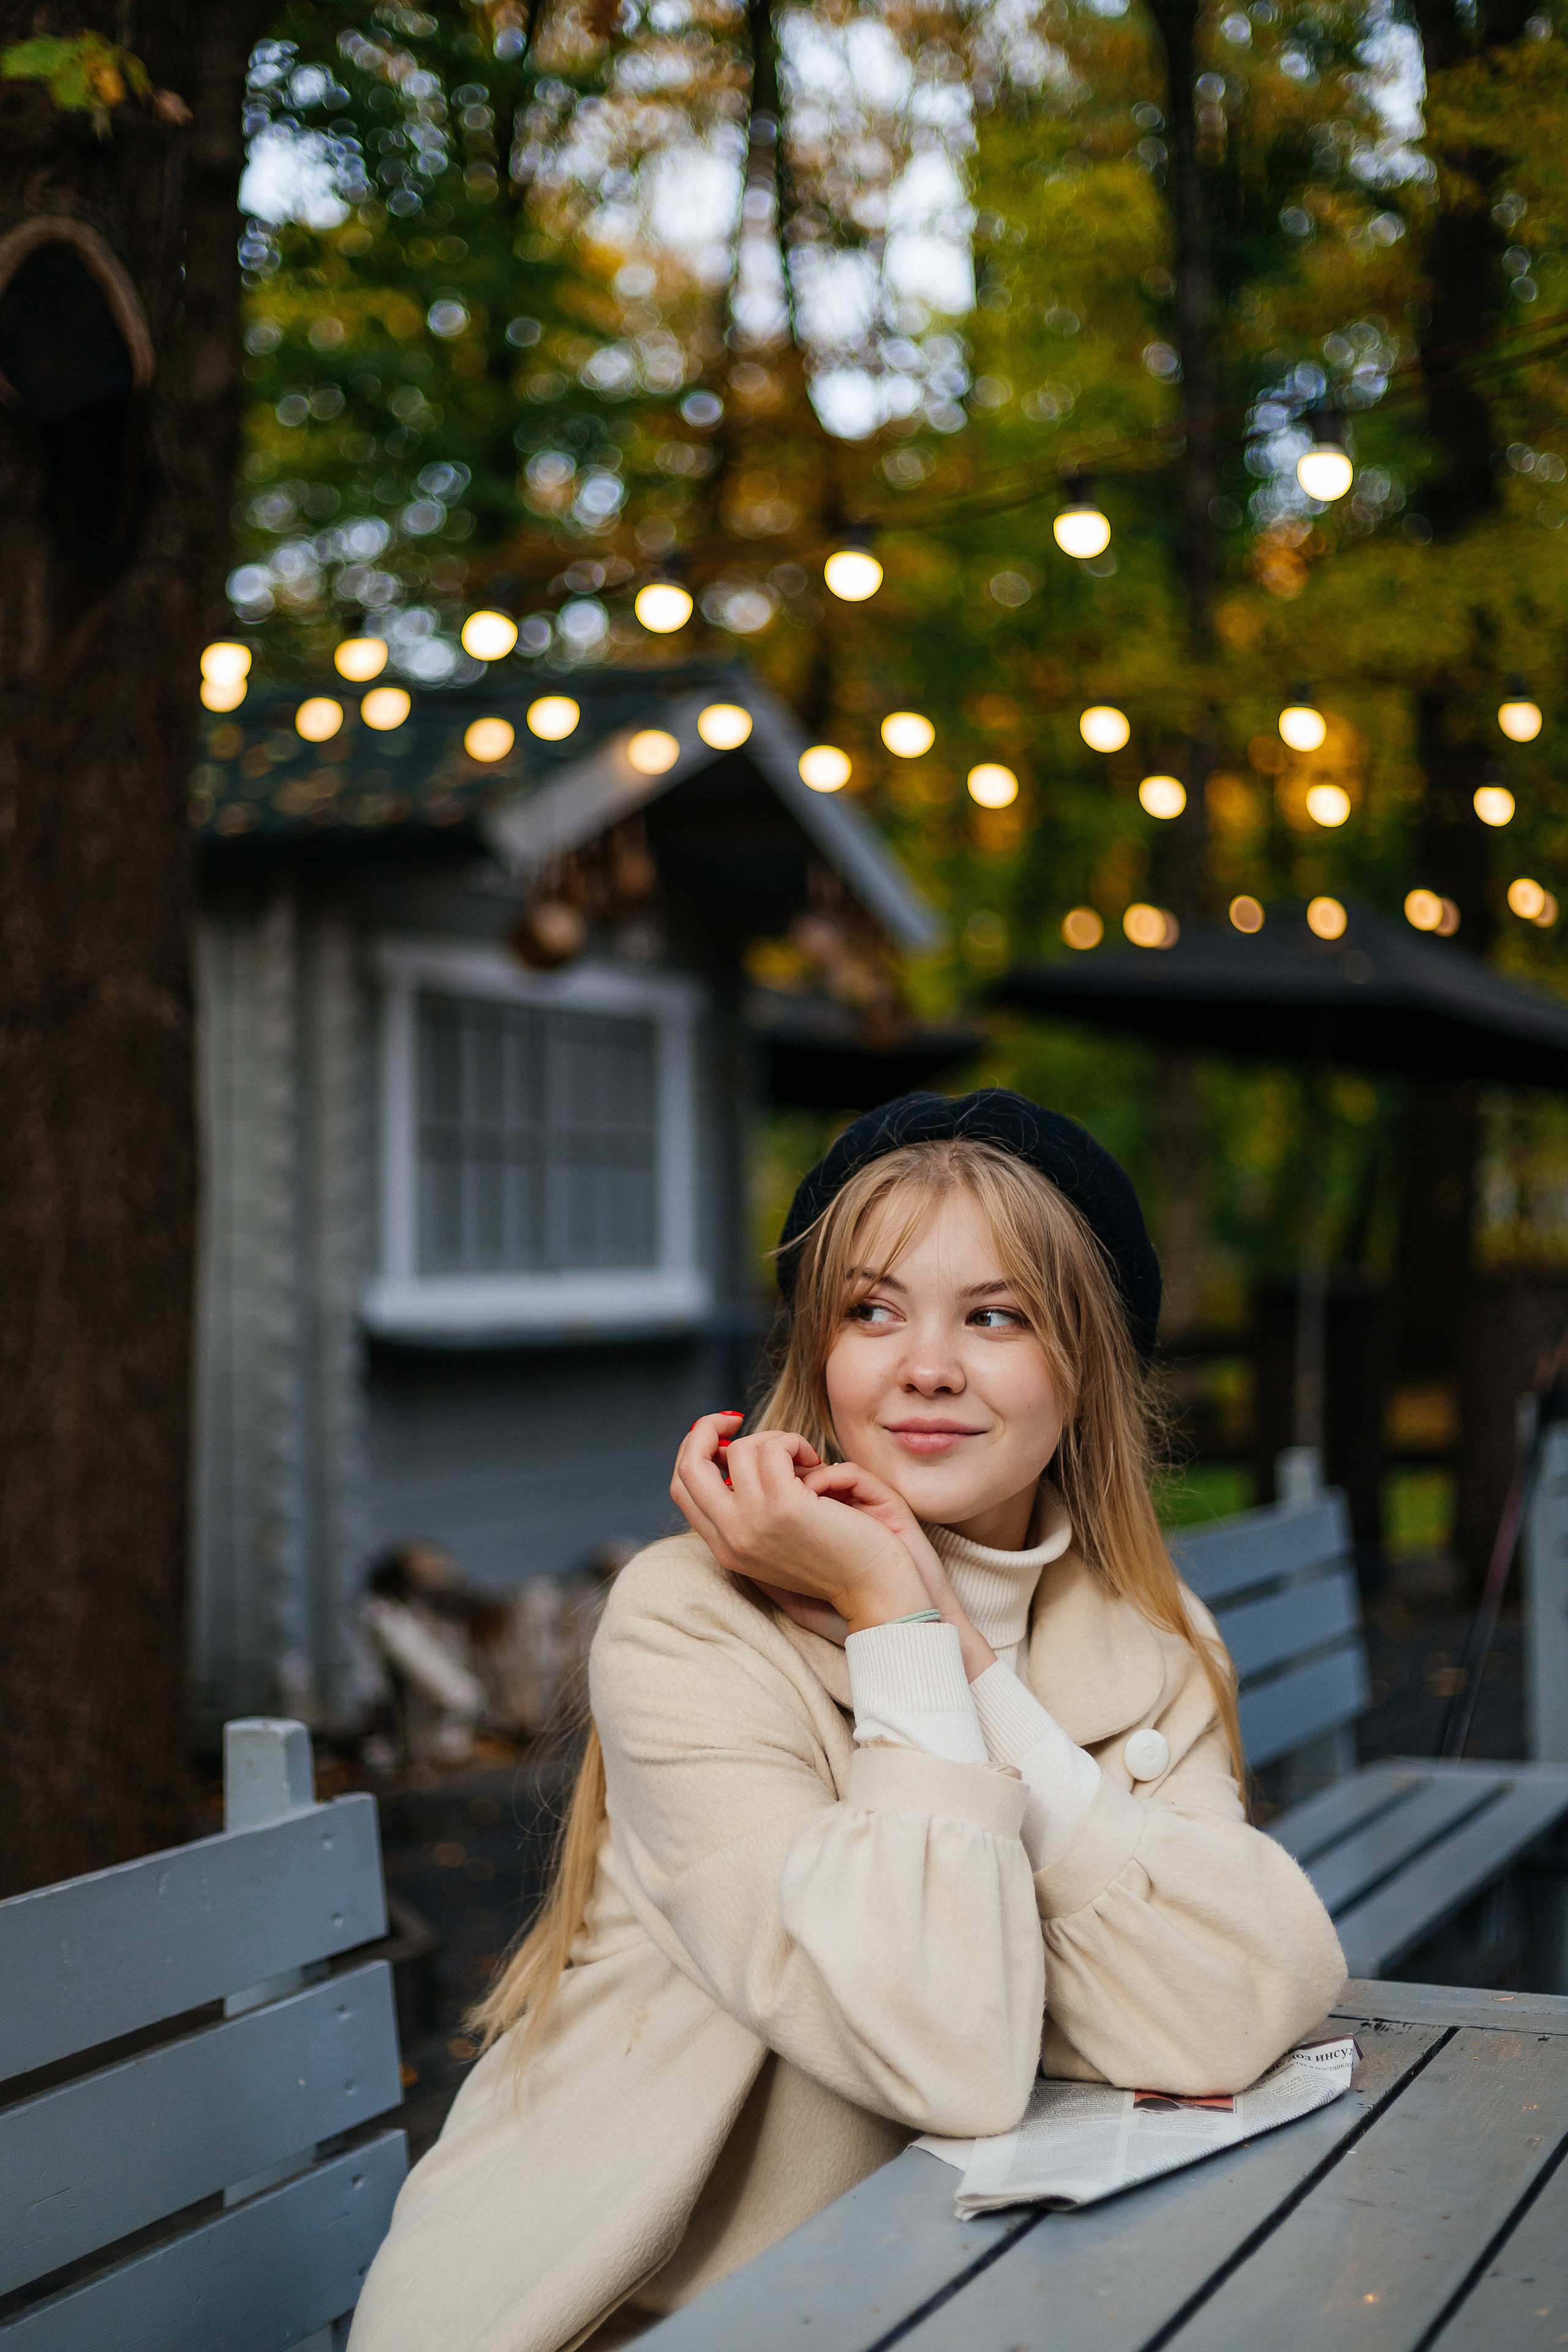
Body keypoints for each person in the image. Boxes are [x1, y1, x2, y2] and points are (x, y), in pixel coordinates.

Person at [349, 1091, 1346, 2352]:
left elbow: (1224, 2015)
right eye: (871, 1311)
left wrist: (957, 1658)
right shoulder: (687, 1624)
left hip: (958, 2290)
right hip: (631, 2313)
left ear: (1085, 1368)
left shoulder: (1151, 1637)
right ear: (816, 1354)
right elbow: (951, 2056)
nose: (925, 1365)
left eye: (994, 1316)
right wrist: (888, 1612)